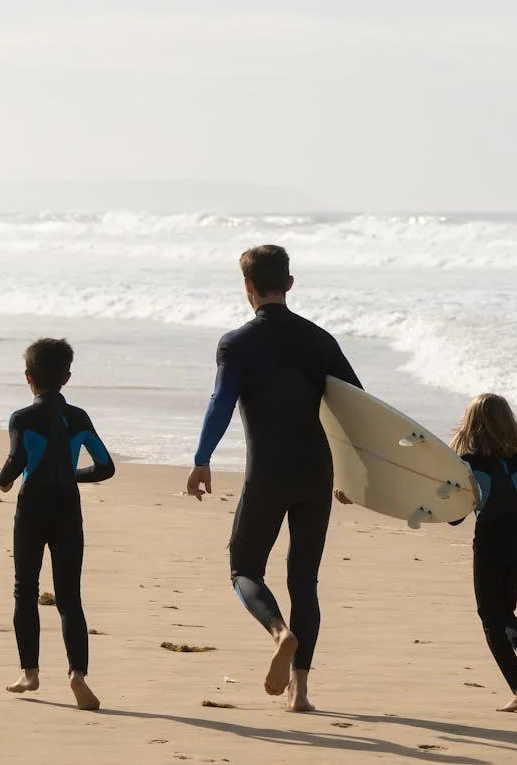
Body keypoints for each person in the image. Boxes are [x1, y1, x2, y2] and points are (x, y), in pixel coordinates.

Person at [185, 244, 361, 712]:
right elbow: (356, 408)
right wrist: (354, 473)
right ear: (289, 283)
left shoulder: (237, 343)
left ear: (247, 287)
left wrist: (202, 459)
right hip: (316, 471)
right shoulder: (320, 340)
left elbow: (220, 403)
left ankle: (279, 632)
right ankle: (300, 690)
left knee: (244, 568)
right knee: (305, 580)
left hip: (267, 472)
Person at [0, 338, 115, 710]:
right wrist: (69, 474)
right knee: (69, 597)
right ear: (67, 377)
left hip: (31, 508)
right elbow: (105, 467)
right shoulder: (78, 417)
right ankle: (77, 674)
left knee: (25, 589)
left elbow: (15, 462)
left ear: (28, 377)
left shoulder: (22, 417)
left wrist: (1, 479)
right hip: (67, 509)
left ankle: (29, 673)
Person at [447, 394, 517, 712]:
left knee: (489, 618)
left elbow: (455, 517)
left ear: (471, 426)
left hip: (489, 539)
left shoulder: (467, 465)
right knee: (506, 611)